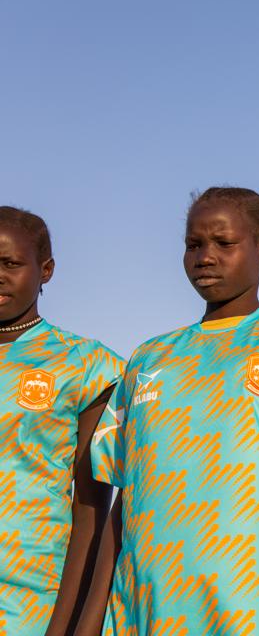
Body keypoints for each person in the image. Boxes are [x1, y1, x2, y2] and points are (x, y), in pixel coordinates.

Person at [77, 187, 259, 635]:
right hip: (143, 606)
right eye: (193, 245)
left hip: (250, 606)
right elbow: (125, 499)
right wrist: (89, 623)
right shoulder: (149, 357)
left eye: (223, 243)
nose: (205, 257)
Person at [0, 206, 123, 635]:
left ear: (45, 270)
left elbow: (91, 507)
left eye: (10, 263)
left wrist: (63, 627)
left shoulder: (83, 364)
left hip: (30, 598)